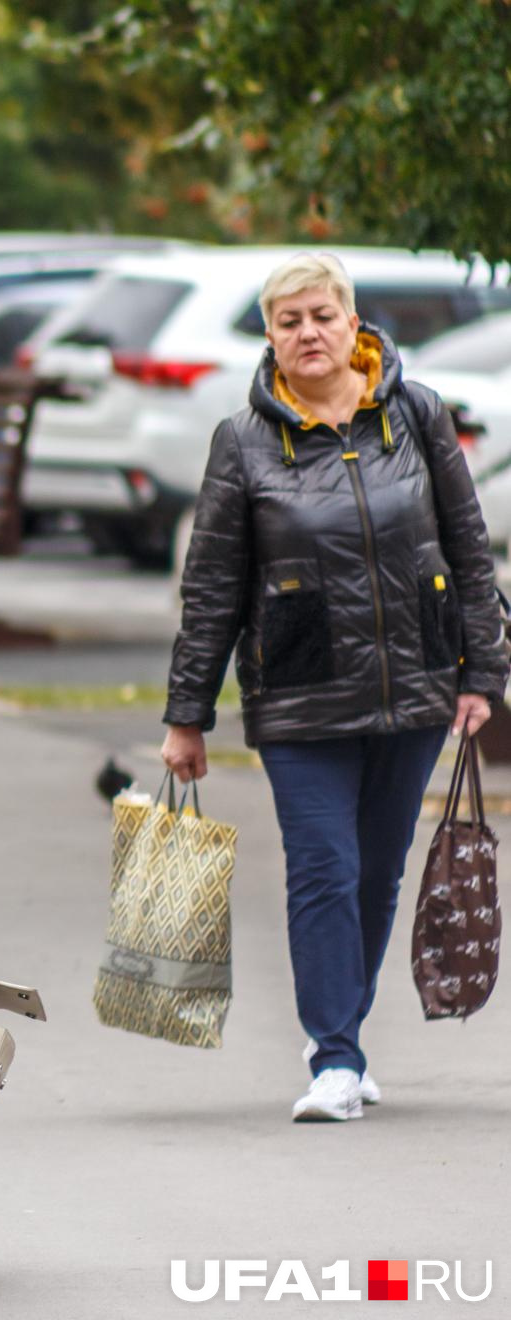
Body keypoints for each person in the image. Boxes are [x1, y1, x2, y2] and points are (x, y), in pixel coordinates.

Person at [161, 253, 506, 1123]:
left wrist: (484, 672)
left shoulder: (416, 415)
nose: (308, 333)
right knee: (325, 867)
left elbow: (468, 550)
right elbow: (212, 588)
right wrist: (186, 716)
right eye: (288, 321)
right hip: (301, 696)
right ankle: (336, 1059)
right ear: (271, 338)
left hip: (413, 687)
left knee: (377, 874)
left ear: (353, 323)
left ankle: (345, 1035)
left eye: (322, 315)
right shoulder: (244, 442)